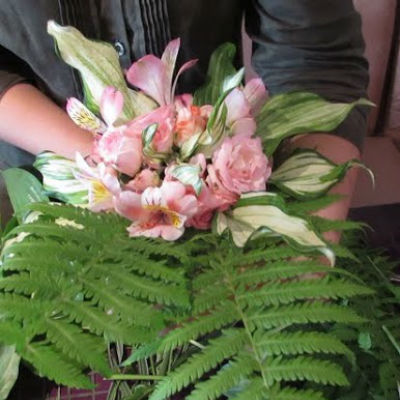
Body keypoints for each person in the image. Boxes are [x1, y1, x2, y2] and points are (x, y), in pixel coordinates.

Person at [0, 0, 369, 237]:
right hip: (42, 190)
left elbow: (319, 58)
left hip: (225, 194)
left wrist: (302, 253)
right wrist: (112, 167)